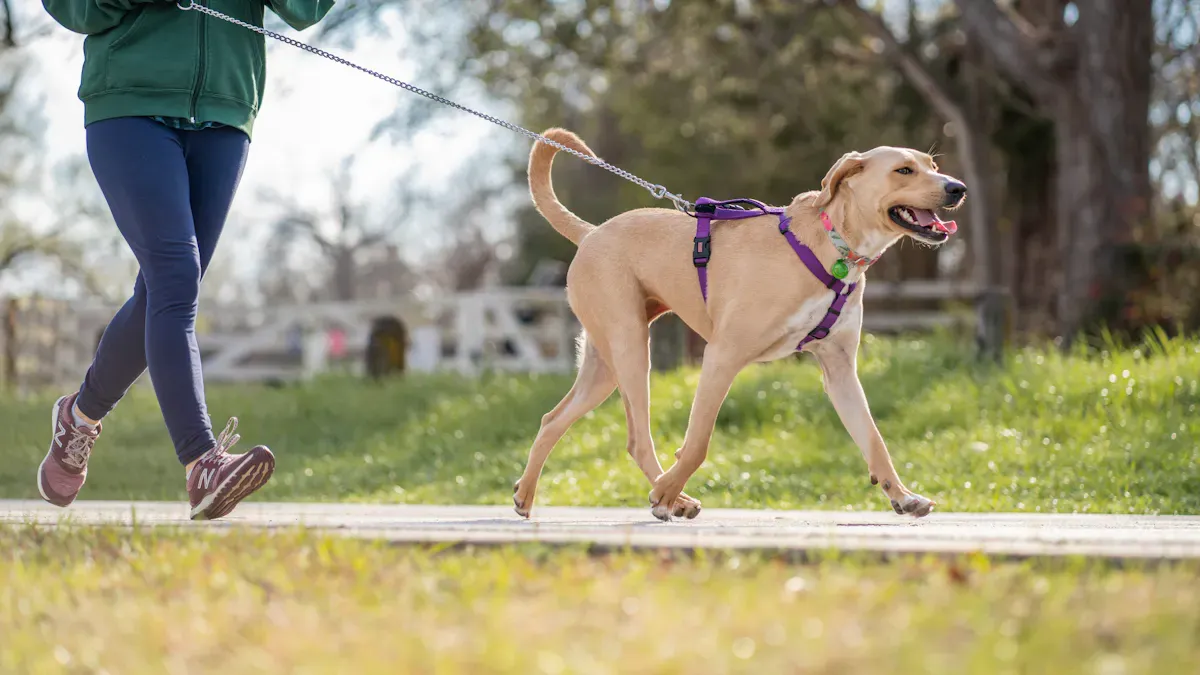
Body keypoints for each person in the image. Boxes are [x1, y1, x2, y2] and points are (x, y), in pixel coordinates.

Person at [38, 0, 335, 519]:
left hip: (225, 111)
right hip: (129, 107)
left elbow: (306, 9)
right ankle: (203, 463)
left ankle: (79, 417)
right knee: (176, 279)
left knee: (163, 289)